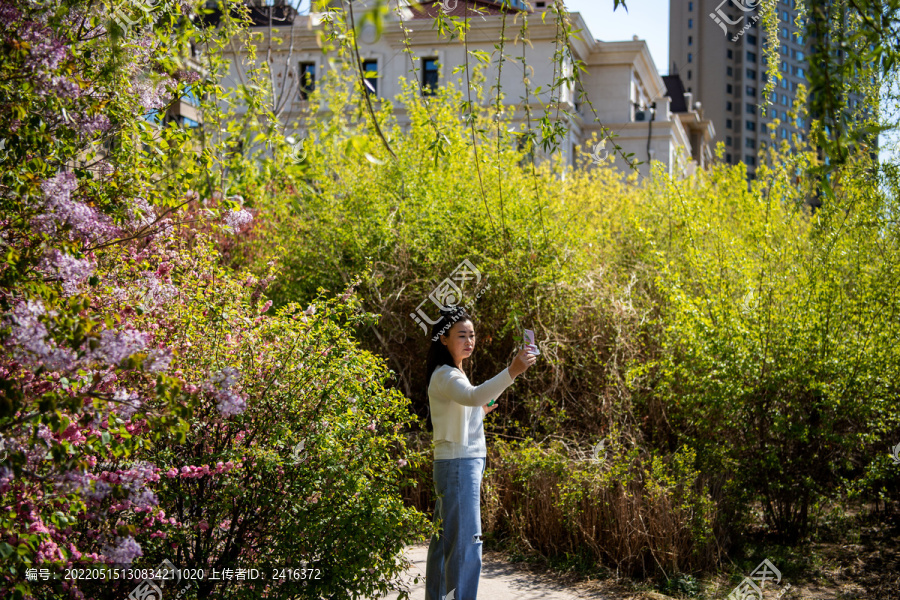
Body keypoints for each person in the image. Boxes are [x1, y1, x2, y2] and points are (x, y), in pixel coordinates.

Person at [423, 306, 537, 600]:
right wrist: (513, 370)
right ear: (443, 338)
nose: (468, 341)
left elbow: (465, 409)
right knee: (464, 546)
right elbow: (472, 395)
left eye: (472, 335)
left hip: (454, 466)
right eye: (461, 335)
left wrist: (479, 413)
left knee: (444, 544)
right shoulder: (448, 375)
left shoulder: (450, 373)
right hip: (459, 467)